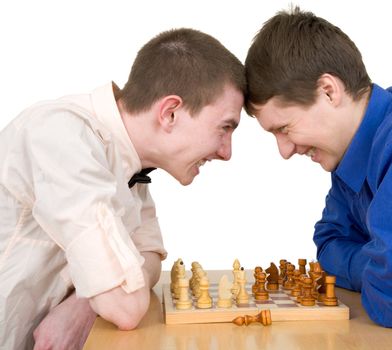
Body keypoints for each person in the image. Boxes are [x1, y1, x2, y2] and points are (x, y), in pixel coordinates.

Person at [244, 7, 392, 350]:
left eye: (284, 128)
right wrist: (380, 262)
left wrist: (375, 266)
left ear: (329, 91)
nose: (284, 151)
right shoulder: (353, 153)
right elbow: (329, 243)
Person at [0, 28, 245, 350]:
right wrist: (103, 295)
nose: (226, 152)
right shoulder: (62, 136)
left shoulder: (131, 164)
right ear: (170, 113)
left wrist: (81, 306)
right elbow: (125, 307)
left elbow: (150, 257)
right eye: (225, 127)